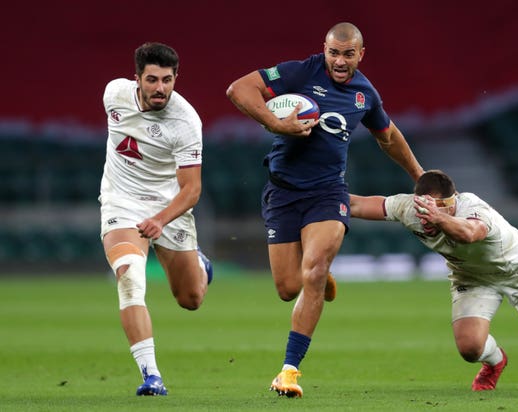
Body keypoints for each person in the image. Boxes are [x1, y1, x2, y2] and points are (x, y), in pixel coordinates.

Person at [226, 22, 424, 397]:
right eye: (334, 52)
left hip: (328, 193)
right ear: (325, 49)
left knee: (314, 269)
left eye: (348, 54)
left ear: (360, 55)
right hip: (282, 193)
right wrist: (277, 124)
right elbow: (238, 89)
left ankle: (288, 371)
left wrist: (419, 175)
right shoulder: (301, 71)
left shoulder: (365, 94)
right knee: (288, 288)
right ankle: (316, 275)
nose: (339, 61)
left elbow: (389, 137)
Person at [349, 169, 518, 391]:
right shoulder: (408, 207)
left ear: (451, 205)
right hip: (471, 276)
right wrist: (318, 198)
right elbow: (356, 205)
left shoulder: (473, 208)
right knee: (469, 348)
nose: (425, 219)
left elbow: (470, 234)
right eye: (422, 211)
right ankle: (495, 362)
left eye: (434, 211)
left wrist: (438, 218)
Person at [99, 42, 213, 396]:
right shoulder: (114, 95)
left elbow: (192, 190)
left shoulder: (186, 122)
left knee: (190, 299)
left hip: (170, 206)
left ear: (177, 78)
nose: (160, 88)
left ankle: (201, 267)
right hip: (121, 202)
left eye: (167, 80)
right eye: (152, 79)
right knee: (130, 277)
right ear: (137, 79)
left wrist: (161, 220)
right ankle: (152, 375)